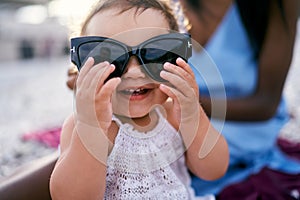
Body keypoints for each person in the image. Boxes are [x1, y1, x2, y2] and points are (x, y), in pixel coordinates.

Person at [49, 0, 229, 199]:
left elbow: (214, 170)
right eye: (110, 56)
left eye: (155, 53)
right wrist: (91, 126)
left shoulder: (172, 116)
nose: (134, 72)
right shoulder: (81, 125)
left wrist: (193, 115)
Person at [179, 0, 300, 199]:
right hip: (176, 123)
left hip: (241, 128)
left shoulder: (279, 5)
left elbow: (266, 104)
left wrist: (188, 102)